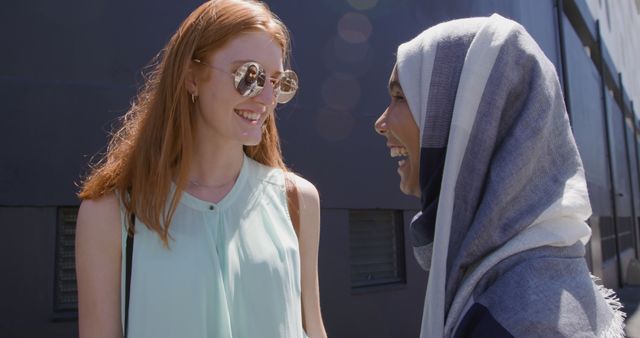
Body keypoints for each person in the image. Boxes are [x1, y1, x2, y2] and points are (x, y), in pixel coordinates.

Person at [75, 1, 326, 337]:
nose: (266, 98)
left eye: (278, 82)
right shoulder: (110, 213)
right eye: (249, 76)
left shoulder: (297, 200)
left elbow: (312, 329)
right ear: (192, 77)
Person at [375, 14, 625, 338]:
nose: (380, 123)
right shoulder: (539, 276)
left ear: (465, 118)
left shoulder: (517, 320)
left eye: (400, 97)